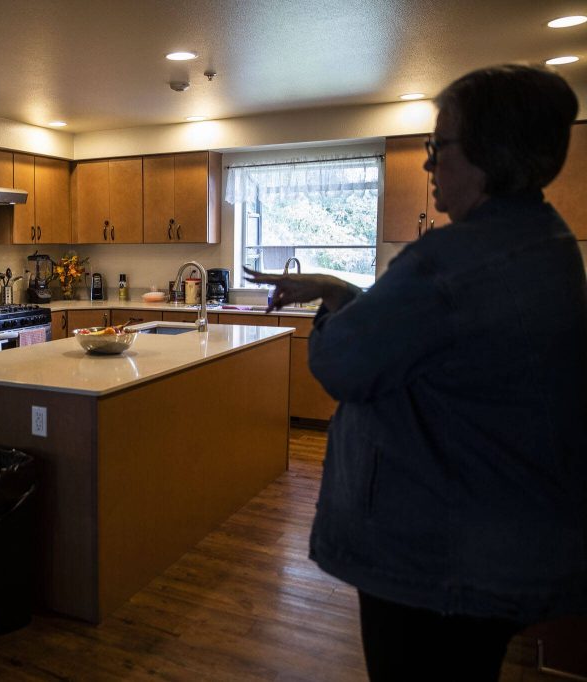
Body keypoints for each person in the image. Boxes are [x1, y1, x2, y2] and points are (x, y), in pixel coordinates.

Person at [246, 64, 587, 681]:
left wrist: (332, 310)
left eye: (440, 145)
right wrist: (338, 290)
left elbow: (343, 363)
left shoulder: (449, 261)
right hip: (495, 533)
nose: (430, 164)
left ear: (488, 152)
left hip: (432, 553)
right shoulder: (546, 240)